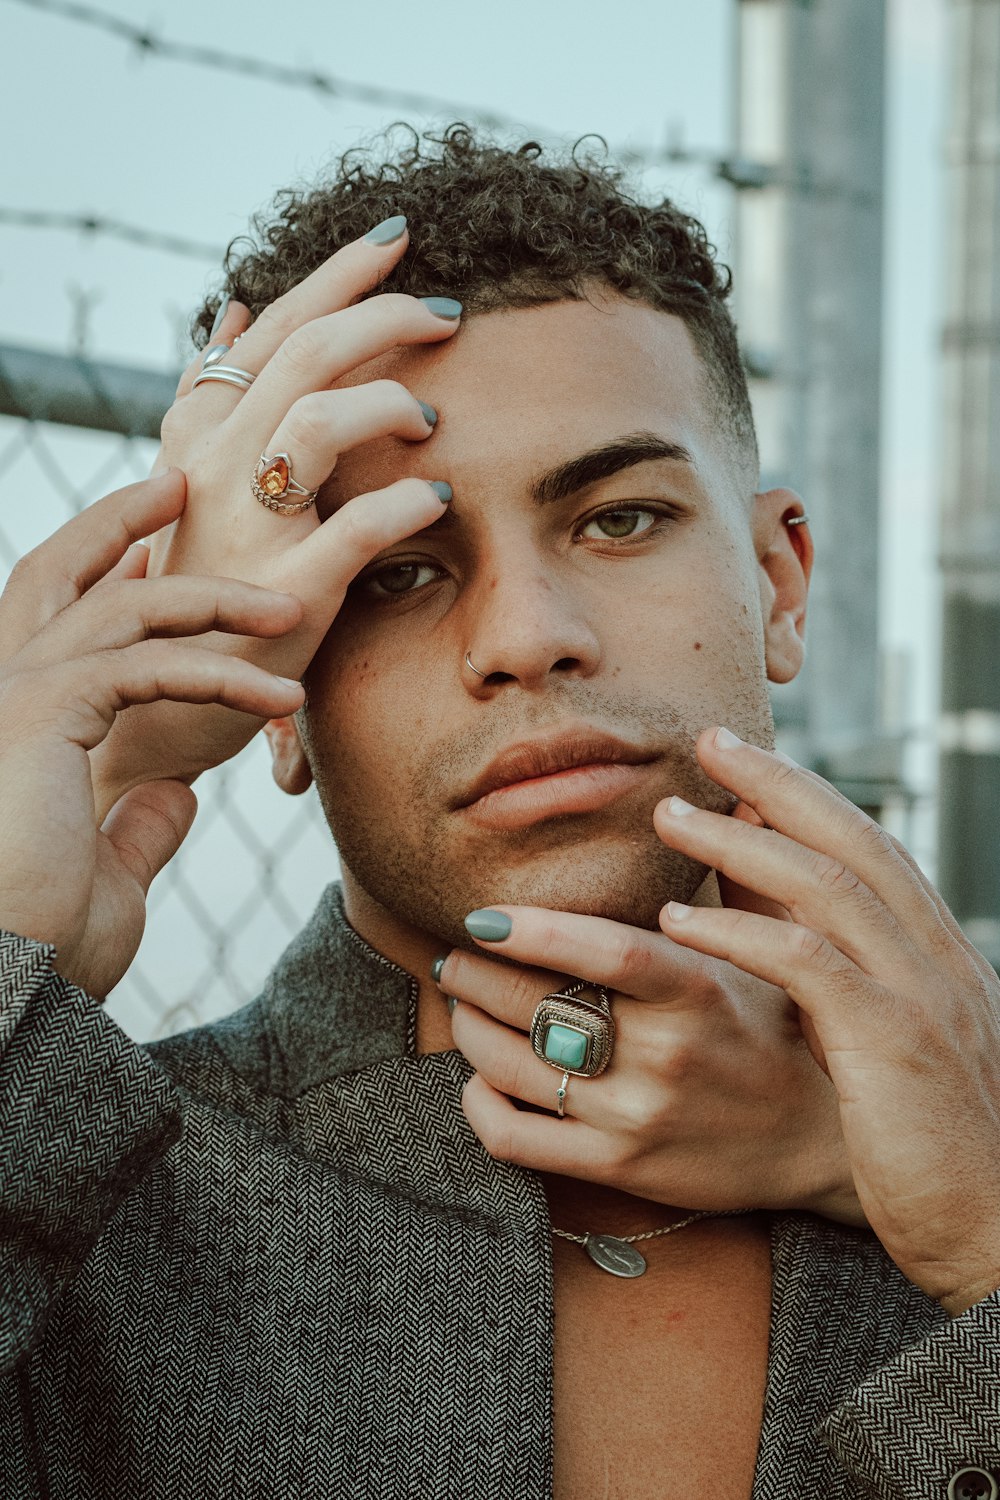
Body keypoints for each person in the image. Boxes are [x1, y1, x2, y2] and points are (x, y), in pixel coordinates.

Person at [1, 124, 998, 1500]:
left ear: (779, 583)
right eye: (396, 573)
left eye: (620, 519)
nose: (527, 636)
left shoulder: (978, 1175)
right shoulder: (80, 1208)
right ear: (270, 690)